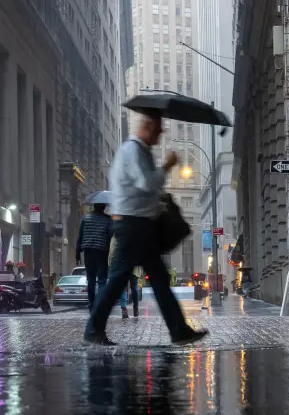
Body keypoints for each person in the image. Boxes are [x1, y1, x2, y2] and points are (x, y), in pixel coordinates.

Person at [85, 110, 207, 346]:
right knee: (120, 279)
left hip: (140, 224)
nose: (161, 135)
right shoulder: (132, 151)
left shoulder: (140, 151)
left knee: (156, 279)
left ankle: (179, 330)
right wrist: (167, 166)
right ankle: (93, 328)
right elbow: (145, 183)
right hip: (133, 225)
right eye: (159, 129)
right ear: (149, 126)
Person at [76, 203, 112, 310]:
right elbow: (111, 237)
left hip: (88, 252)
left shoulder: (85, 218)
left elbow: (80, 236)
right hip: (102, 252)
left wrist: (77, 254)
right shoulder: (108, 220)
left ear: (94, 206)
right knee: (102, 280)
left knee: (90, 280)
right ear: (104, 207)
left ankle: (91, 304)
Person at [109, 234, 141, 319]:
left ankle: (124, 309)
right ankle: (135, 309)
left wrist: (111, 263)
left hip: (121, 264)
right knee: (134, 286)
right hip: (134, 265)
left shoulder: (117, 234)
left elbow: (112, 250)